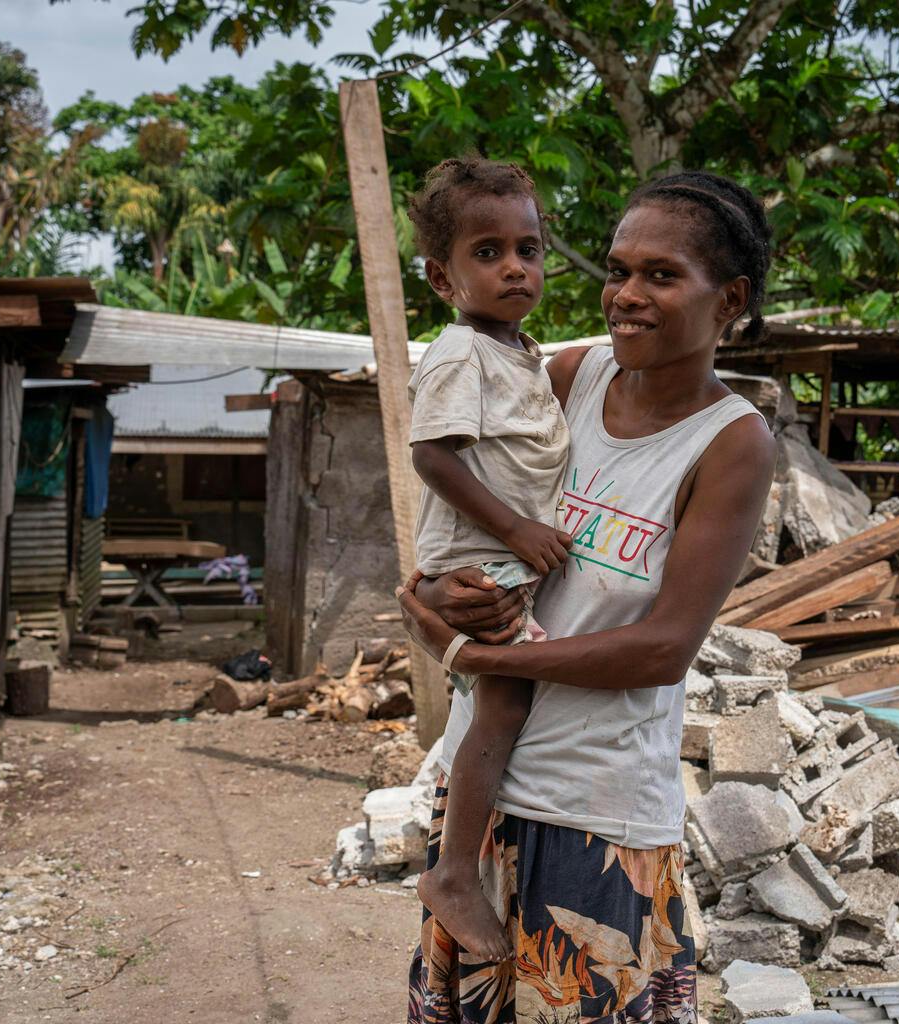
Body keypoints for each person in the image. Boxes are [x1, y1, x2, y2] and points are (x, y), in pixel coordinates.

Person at [399, 171, 778, 1023]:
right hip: (481, 797)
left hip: (597, 817)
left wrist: (480, 654)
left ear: (731, 299)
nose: (626, 296)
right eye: (617, 270)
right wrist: (430, 595)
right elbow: (449, 493)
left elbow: (663, 648)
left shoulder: (730, 445)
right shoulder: (565, 376)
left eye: (661, 275)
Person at [403, 158, 573, 962]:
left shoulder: (520, 352)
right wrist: (514, 533)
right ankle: (453, 871)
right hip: (480, 555)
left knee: (505, 706)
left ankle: (471, 858)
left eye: (528, 250)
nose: (515, 267)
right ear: (442, 276)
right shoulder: (457, 353)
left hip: (501, 553)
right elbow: (433, 459)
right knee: (503, 705)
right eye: (488, 252)